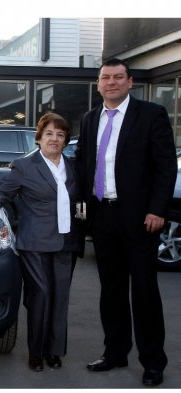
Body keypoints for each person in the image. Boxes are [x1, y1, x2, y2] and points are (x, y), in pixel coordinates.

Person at [76, 58, 177, 386]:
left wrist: (157, 209)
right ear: (98, 84)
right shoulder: (90, 119)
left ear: (130, 82)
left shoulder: (150, 115)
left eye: (119, 77)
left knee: (145, 291)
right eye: (106, 77)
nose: (112, 82)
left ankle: (152, 362)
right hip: (103, 217)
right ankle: (115, 352)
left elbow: (165, 167)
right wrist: (82, 210)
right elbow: (83, 168)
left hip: (140, 219)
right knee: (111, 290)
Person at [0, 113, 79, 372]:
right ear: (39, 138)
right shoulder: (24, 166)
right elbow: (3, 193)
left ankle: (54, 351)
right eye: (49, 134)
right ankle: (36, 352)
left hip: (66, 241)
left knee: (59, 298)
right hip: (34, 241)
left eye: (60, 134)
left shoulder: (72, 167)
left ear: (66, 139)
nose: (54, 139)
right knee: (41, 295)